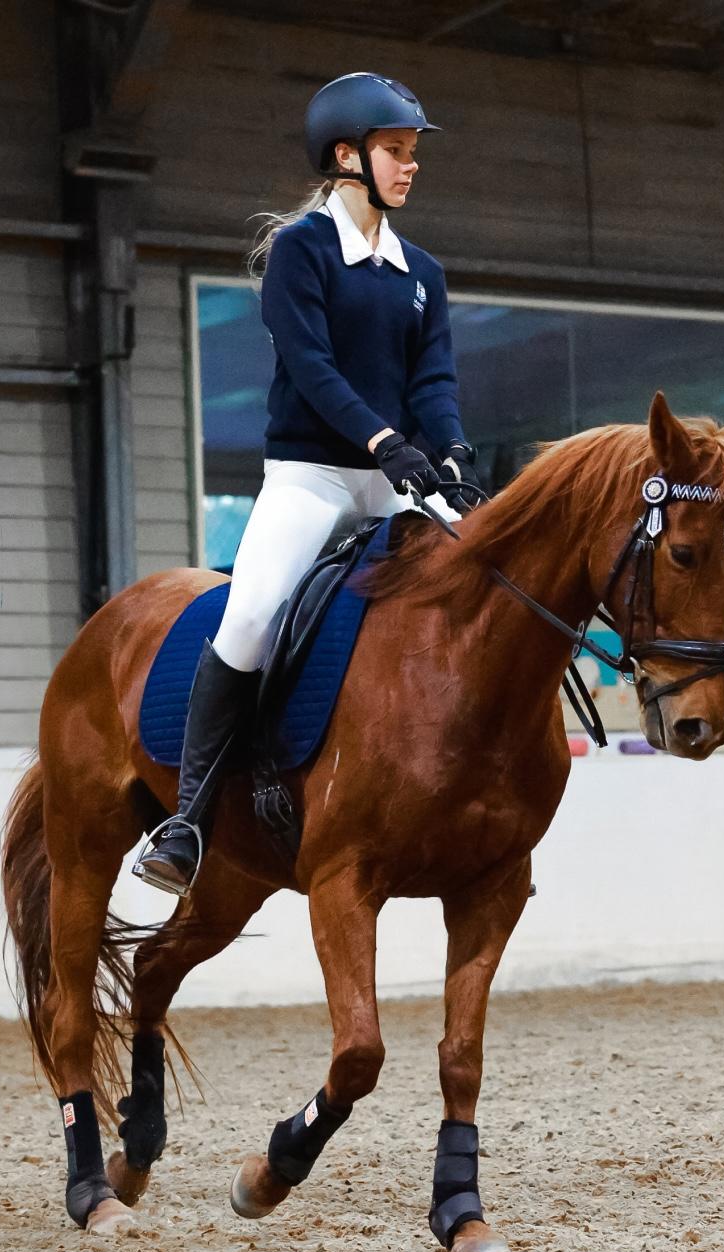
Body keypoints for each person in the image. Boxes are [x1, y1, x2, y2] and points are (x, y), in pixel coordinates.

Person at [133, 72, 480, 897]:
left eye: (412, 153)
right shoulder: (303, 250)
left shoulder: (420, 270)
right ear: (345, 156)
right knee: (251, 615)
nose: (410, 166)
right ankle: (187, 818)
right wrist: (384, 439)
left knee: (483, 584)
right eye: (397, 151)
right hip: (313, 478)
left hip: (398, 479)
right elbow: (312, 368)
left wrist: (454, 448)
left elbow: (433, 379)